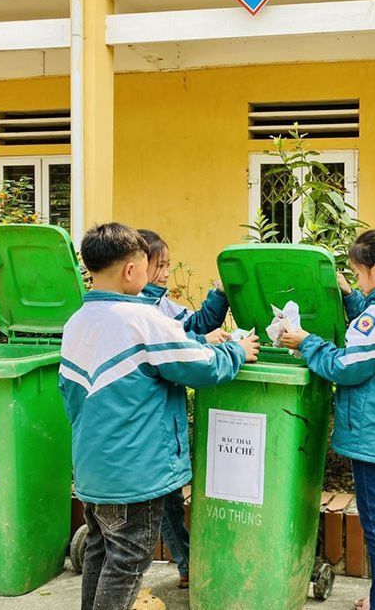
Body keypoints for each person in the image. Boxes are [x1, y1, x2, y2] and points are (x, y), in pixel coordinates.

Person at [59, 223, 259, 610]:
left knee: (101, 553)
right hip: (135, 472)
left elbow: (70, 396)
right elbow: (200, 368)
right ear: (132, 270)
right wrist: (237, 350)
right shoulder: (143, 321)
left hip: (93, 469)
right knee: (129, 559)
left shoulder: (76, 322)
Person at [280, 229, 375, 610]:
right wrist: (348, 294)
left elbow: (346, 367)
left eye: (358, 274)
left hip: (371, 433)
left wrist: (306, 342)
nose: (356, 278)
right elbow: (369, 333)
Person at [137, 227, 231, 588]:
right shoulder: (137, 307)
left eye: (168, 265)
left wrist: (219, 295)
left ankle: (187, 564)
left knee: (169, 498)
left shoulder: (160, 303)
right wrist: (201, 342)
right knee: (162, 501)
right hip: (151, 425)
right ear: (135, 265)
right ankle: (185, 564)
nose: (164, 273)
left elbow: (191, 325)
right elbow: (170, 343)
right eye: (158, 266)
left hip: (165, 425)